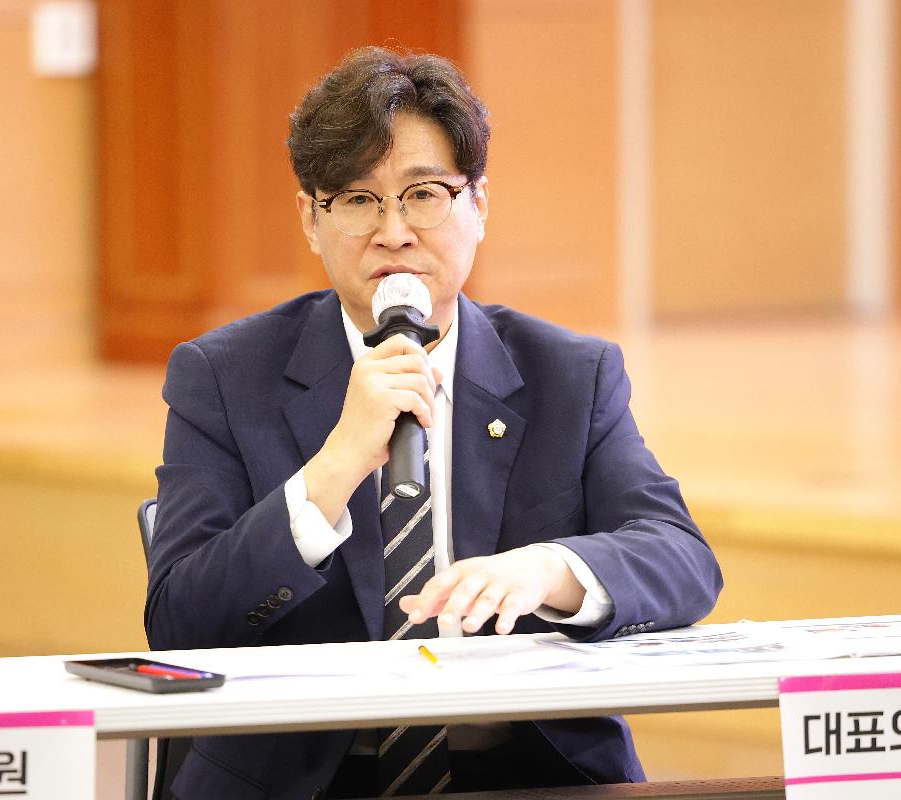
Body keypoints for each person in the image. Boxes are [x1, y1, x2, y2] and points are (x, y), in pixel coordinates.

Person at [146, 46, 722, 800]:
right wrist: (334, 467)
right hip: (306, 783)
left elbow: (682, 559)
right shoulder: (223, 376)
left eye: (424, 194)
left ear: (478, 205)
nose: (393, 232)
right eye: (357, 199)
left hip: (526, 777)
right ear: (311, 220)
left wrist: (548, 570)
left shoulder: (569, 375)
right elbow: (181, 620)